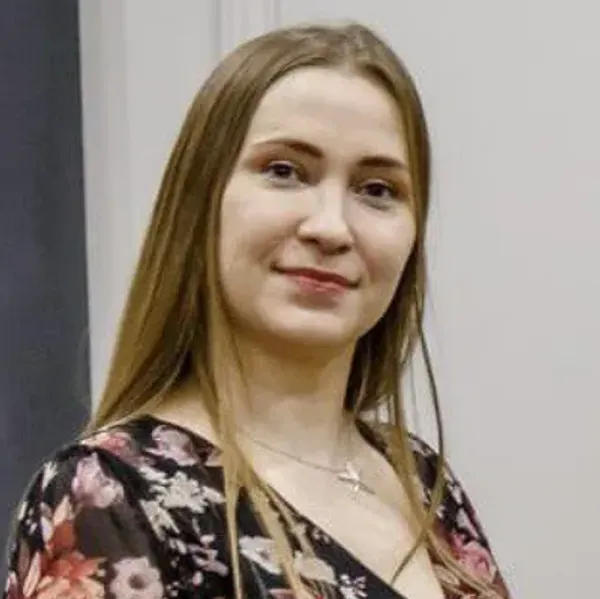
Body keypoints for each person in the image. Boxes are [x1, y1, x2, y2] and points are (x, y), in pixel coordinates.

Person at [2, 22, 512, 599]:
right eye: (284, 171)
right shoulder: (109, 496)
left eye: (377, 189)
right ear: (200, 201)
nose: (331, 227)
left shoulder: (421, 480)